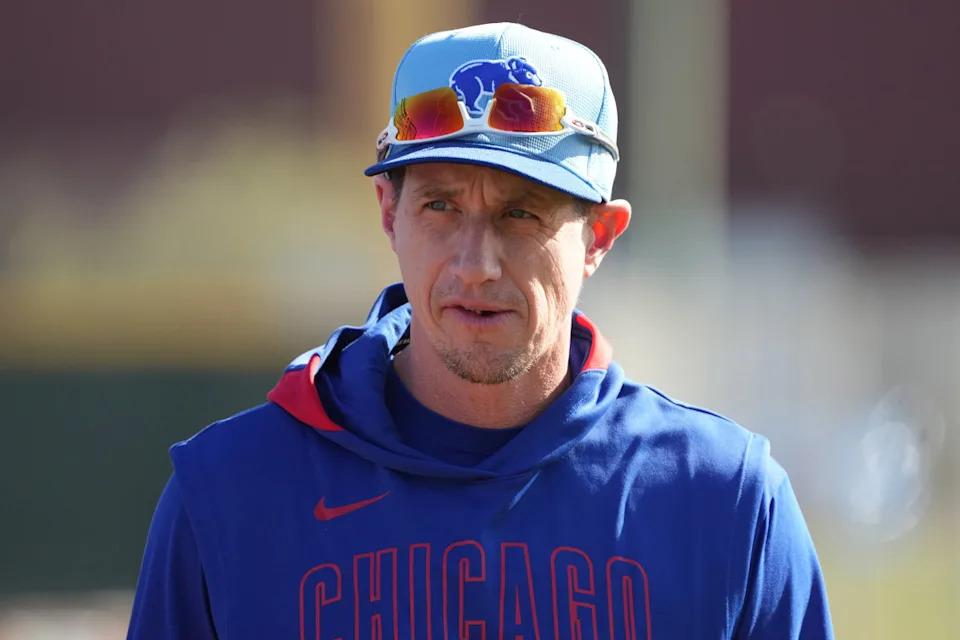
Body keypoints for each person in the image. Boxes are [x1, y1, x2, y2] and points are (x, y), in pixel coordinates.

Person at [127, 22, 834, 639]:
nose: (475, 265)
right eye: (440, 206)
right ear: (389, 213)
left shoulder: (724, 501)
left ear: (599, 237)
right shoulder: (229, 495)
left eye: (521, 214)